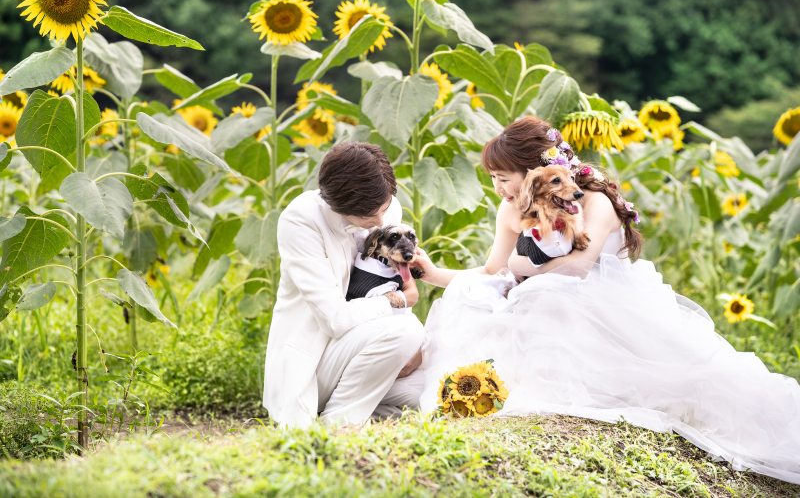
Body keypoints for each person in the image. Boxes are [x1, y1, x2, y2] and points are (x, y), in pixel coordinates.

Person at [411, 116, 800, 484]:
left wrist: (520, 267)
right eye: (493, 179)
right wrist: (433, 274)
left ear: (534, 171)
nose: (498, 188)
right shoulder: (511, 209)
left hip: (606, 308)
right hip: (542, 303)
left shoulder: (594, 202)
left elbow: (579, 266)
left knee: (548, 299)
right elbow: (491, 272)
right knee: (480, 298)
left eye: (502, 178)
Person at [263, 142, 424, 429]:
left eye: (385, 209)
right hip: (315, 359)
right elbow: (335, 320)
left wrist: (409, 346)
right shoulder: (300, 220)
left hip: (365, 344)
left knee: (428, 394)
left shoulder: (385, 209)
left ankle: (361, 412)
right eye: (368, 216)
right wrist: (397, 302)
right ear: (338, 206)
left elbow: (392, 280)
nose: (380, 221)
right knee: (406, 330)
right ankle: (338, 425)